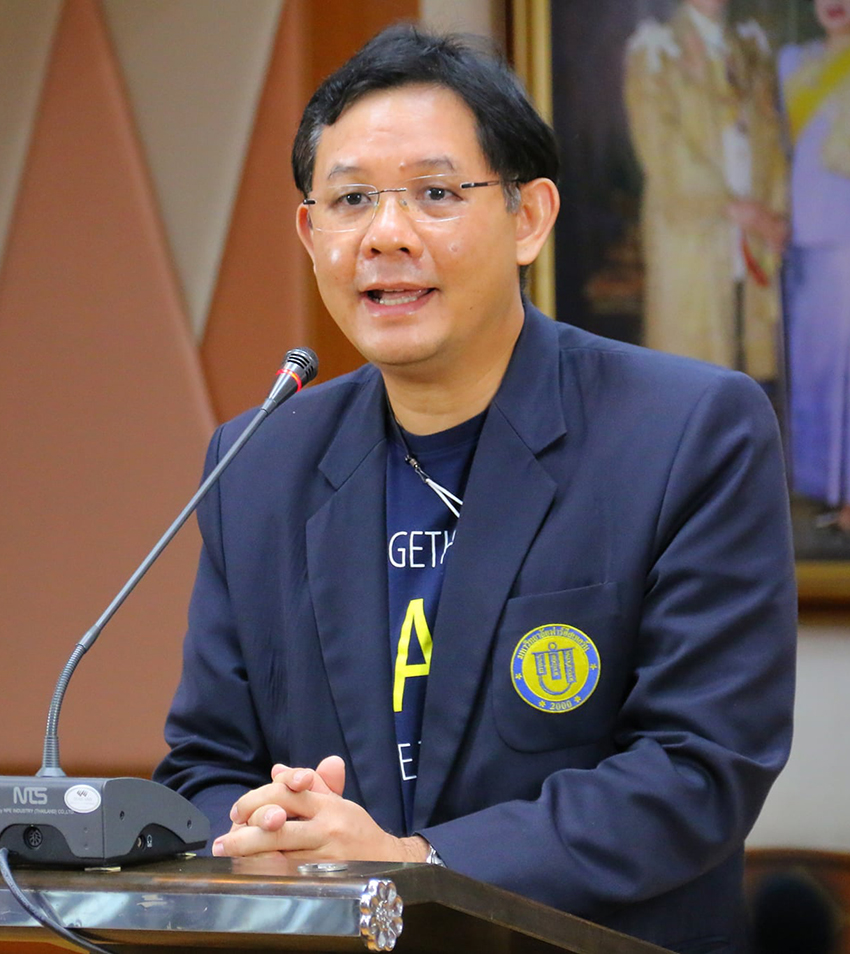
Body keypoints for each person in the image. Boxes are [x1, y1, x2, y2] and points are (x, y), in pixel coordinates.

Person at [155, 25, 797, 953]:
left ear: (529, 217)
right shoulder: (258, 462)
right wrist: (266, 830)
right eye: (351, 200)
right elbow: (205, 765)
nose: (386, 235)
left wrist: (415, 863)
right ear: (311, 233)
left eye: (436, 194)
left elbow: (697, 769)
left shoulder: (688, 431)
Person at [624, 0, 788, 382]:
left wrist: (775, 213)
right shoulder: (655, 49)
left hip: (754, 236)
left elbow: (773, 139)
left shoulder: (749, 48)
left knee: (750, 367)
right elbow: (661, 147)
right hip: (692, 229)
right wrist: (734, 208)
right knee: (691, 371)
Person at [779, 0, 850, 534]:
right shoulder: (791, 62)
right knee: (812, 367)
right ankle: (823, 487)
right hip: (796, 233)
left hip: (844, 238)